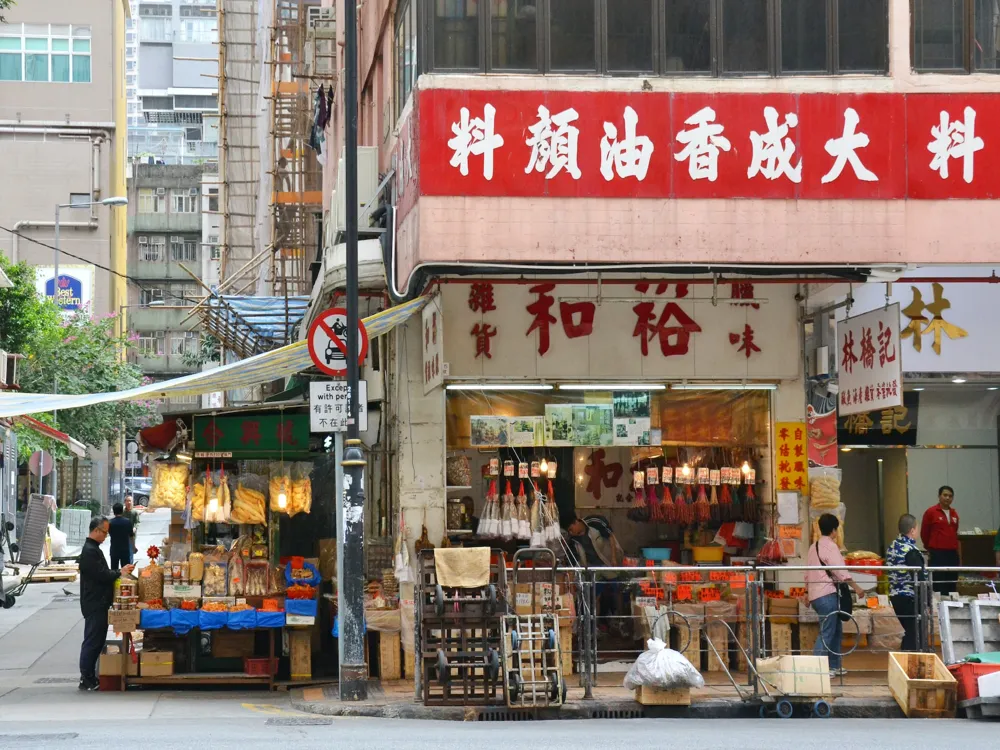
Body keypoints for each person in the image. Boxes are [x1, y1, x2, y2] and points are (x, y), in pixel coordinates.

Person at [805, 513, 864, 676]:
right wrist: (856, 587)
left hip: (816, 595)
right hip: (827, 594)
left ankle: (834, 665)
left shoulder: (813, 547)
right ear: (833, 530)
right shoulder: (831, 546)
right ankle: (818, 668)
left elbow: (807, 572)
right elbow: (840, 571)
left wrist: (805, 592)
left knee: (836, 628)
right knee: (828, 630)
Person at [79, 517, 133, 690]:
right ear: (96, 530)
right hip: (94, 602)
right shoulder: (89, 551)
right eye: (104, 532)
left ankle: (89, 676)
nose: (106, 536)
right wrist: (119, 572)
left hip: (98, 601)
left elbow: (103, 573)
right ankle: (86, 678)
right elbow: (101, 575)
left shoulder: (93, 549)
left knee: (97, 638)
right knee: (93, 640)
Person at [886, 514, 926, 652]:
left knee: (910, 630)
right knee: (915, 632)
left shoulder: (892, 546)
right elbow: (920, 578)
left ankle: (906, 658)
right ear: (913, 530)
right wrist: (924, 599)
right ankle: (910, 661)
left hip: (895, 596)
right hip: (909, 597)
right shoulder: (911, 551)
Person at [921, 485, 960, 595]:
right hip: (937, 554)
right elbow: (924, 533)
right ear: (939, 496)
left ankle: (951, 608)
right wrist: (930, 548)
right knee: (938, 583)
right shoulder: (931, 512)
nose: (947, 498)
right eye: (945, 495)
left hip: (952, 554)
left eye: (950, 496)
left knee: (951, 582)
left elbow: (955, 532)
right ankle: (937, 609)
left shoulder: (954, 514)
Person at [108, 503, 135, 569]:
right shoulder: (127, 522)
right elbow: (131, 536)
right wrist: (133, 547)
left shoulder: (110, 523)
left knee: (114, 570)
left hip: (114, 549)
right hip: (125, 550)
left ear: (114, 512)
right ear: (122, 511)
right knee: (126, 571)